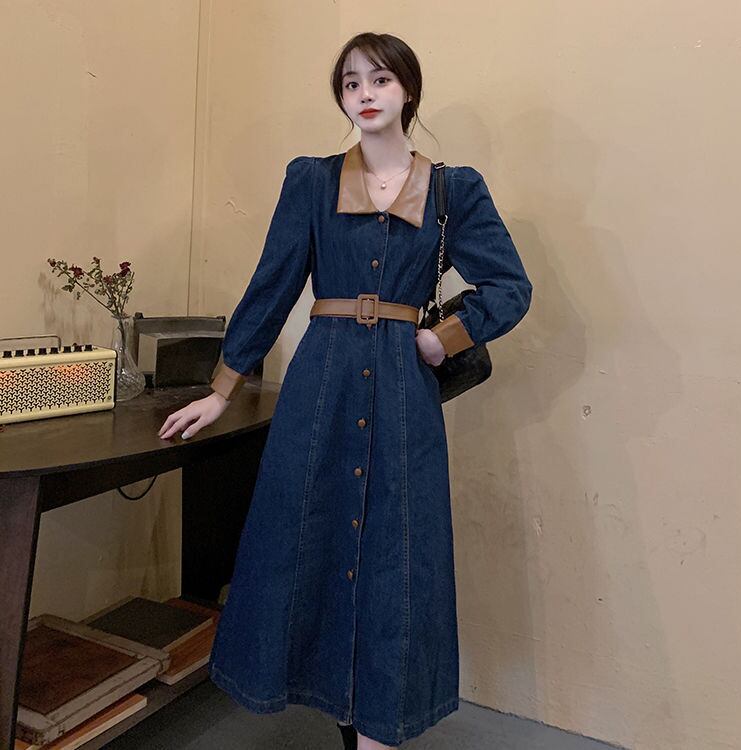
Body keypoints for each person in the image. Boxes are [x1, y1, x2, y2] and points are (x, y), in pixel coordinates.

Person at [157, 31, 532, 750]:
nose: (364, 94)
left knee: (397, 556)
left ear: (408, 90)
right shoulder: (311, 181)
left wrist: (444, 338)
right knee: (311, 542)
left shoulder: (454, 191)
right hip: (320, 389)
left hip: (404, 396)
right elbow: (272, 286)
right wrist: (222, 389)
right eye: (351, 82)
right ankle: (336, 708)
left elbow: (511, 286)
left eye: (380, 79)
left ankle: (378, 729)